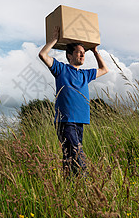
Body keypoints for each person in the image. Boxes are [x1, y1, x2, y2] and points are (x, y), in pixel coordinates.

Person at [38, 26, 109, 176]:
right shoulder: (61, 69)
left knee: (69, 157)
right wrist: (54, 40)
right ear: (69, 55)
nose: (83, 55)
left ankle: (69, 186)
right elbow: (43, 54)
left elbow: (104, 69)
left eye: (84, 53)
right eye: (79, 52)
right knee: (77, 153)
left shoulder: (85, 74)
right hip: (66, 120)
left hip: (80, 120)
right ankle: (86, 183)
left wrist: (95, 52)